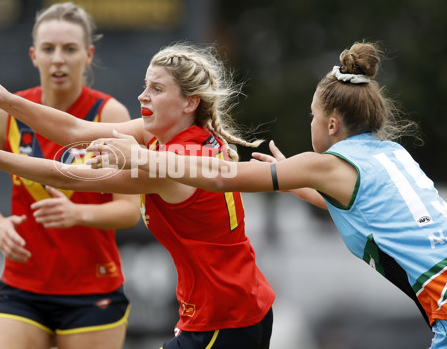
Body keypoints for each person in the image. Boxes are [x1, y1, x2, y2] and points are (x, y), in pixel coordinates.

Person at [88, 41, 447, 348]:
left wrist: (143, 157)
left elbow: (222, 177)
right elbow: (359, 213)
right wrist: (294, 182)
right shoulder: (392, 154)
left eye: (312, 116)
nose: (311, 123)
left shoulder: (325, 164)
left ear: (332, 125)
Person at [0, 42, 276, 349]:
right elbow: (75, 130)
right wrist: (8, 101)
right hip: (242, 305)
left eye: (156, 89)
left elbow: (71, 177)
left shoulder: (170, 163)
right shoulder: (165, 136)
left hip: (223, 318)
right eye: (144, 85)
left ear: (189, 103)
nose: (142, 96)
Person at [0, 2, 140, 349]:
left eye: (70, 49)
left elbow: (130, 210)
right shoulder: (8, 112)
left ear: (88, 55)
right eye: (49, 48)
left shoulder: (109, 114)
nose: (58, 58)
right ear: (34, 55)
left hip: (92, 289)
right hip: (22, 286)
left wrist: (79, 214)